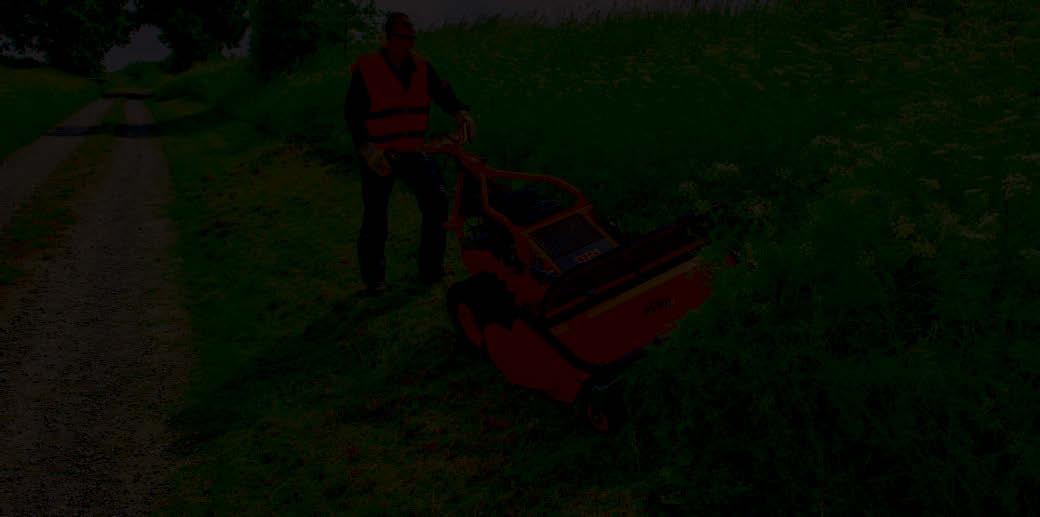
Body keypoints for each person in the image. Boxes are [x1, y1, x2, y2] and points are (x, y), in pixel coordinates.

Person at [345, 12, 476, 295]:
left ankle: (431, 269)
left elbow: (442, 93)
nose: (408, 43)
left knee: (437, 201)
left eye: (411, 38)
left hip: (414, 150)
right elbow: (353, 115)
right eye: (402, 38)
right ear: (387, 38)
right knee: (376, 215)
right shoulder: (367, 68)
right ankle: (374, 280)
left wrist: (460, 112)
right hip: (379, 154)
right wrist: (367, 150)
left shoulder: (421, 67)